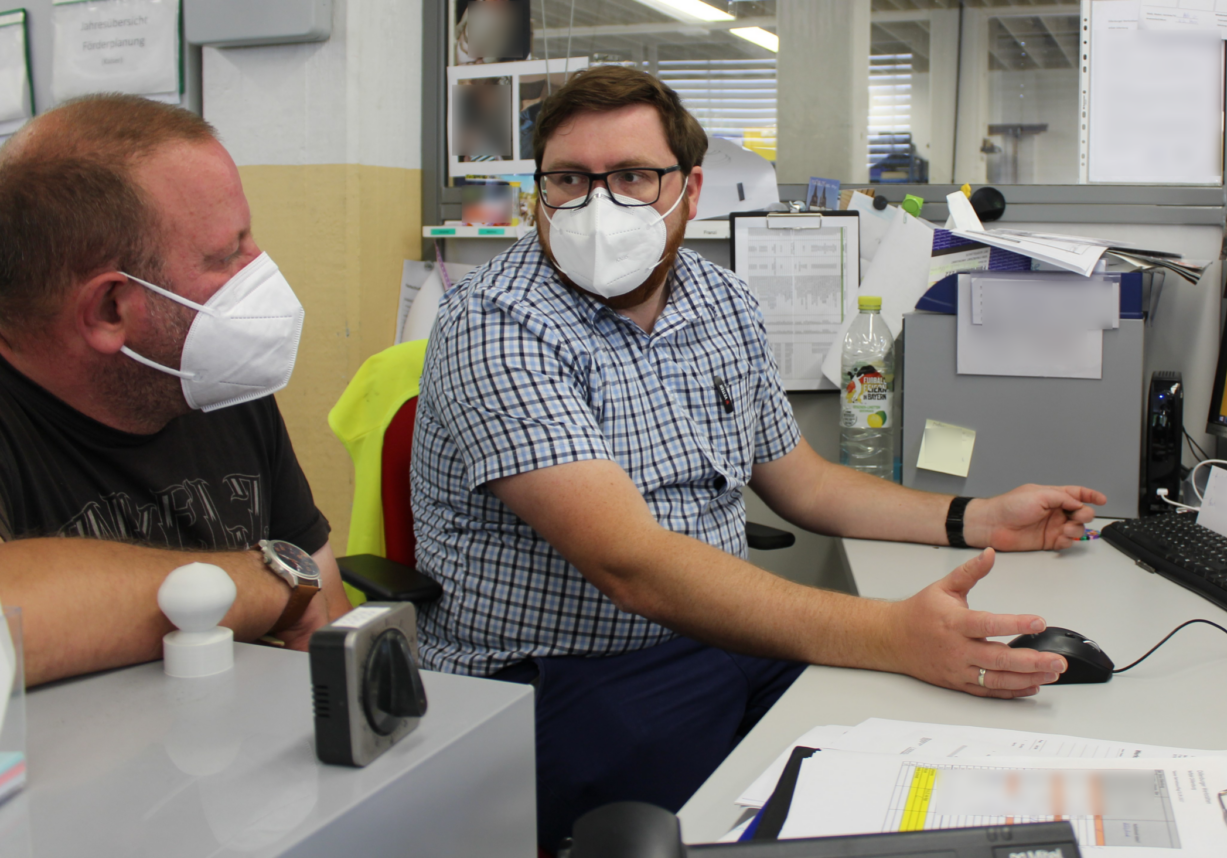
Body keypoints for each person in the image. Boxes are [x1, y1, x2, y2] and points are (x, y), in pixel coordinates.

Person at [410, 65, 1105, 849]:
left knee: (913, 769)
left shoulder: (721, 301)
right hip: (560, 675)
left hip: (718, 641)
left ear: (691, 190)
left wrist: (975, 518)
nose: (597, 205)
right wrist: (891, 634)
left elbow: (802, 482)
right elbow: (628, 565)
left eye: (633, 176)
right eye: (569, 179)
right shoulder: (498, 322)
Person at [0, 94, 351, 687]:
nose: (260, 267)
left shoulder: (216, 382)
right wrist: (264, 582)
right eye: (226, 254)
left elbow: (324, 620)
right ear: (111, 308)